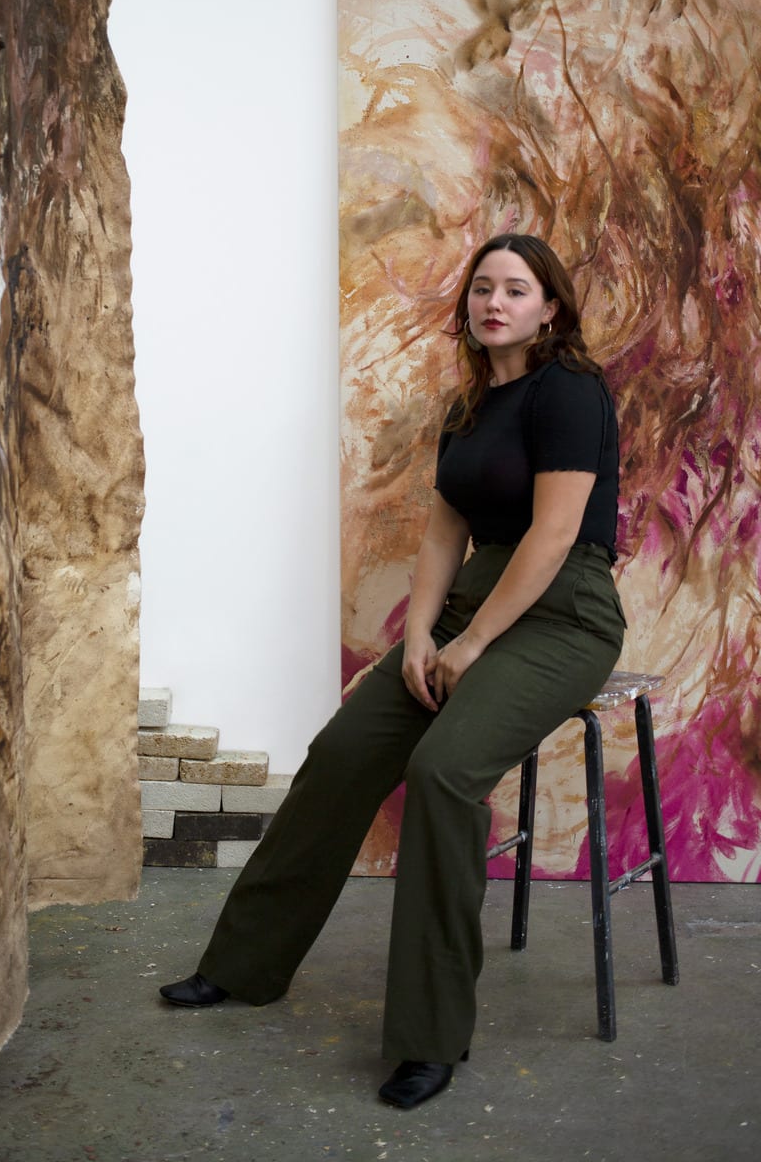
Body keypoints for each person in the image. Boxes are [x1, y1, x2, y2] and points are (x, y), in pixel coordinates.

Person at [159, 233, 626, 1110]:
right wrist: (416, 637)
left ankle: (429, 1038)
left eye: (516, 290)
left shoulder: (570, 393)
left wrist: (472, 644)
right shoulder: (470, 406)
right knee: (341, 755)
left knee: (444, 774)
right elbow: (447, 533)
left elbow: (554, 535)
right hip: (470, 605)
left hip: (562, 611)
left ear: (549, 307)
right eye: (483, 288)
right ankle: (245, 967)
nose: (496, 302)